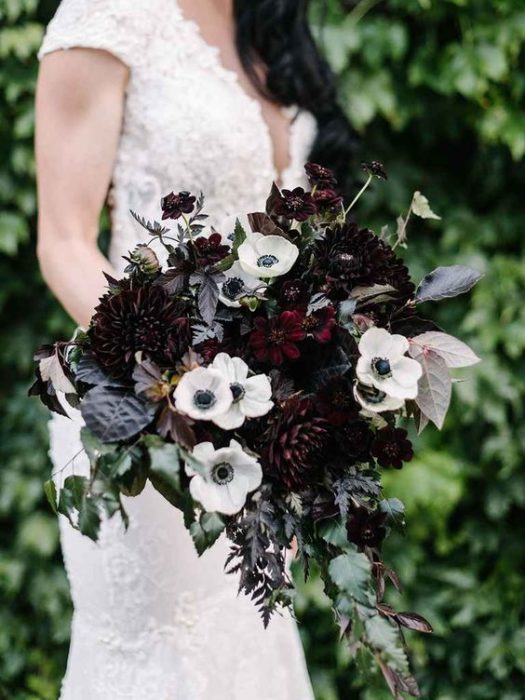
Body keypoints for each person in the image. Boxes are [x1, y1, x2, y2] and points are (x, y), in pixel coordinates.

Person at [35, 1, 357, 698]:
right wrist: (187, 386)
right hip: (141, 414)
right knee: (162, 659)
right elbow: (62, 238)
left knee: (244, 648)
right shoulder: (108, 14)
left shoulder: (262, 27)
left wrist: (294, 416)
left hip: (255, 431)